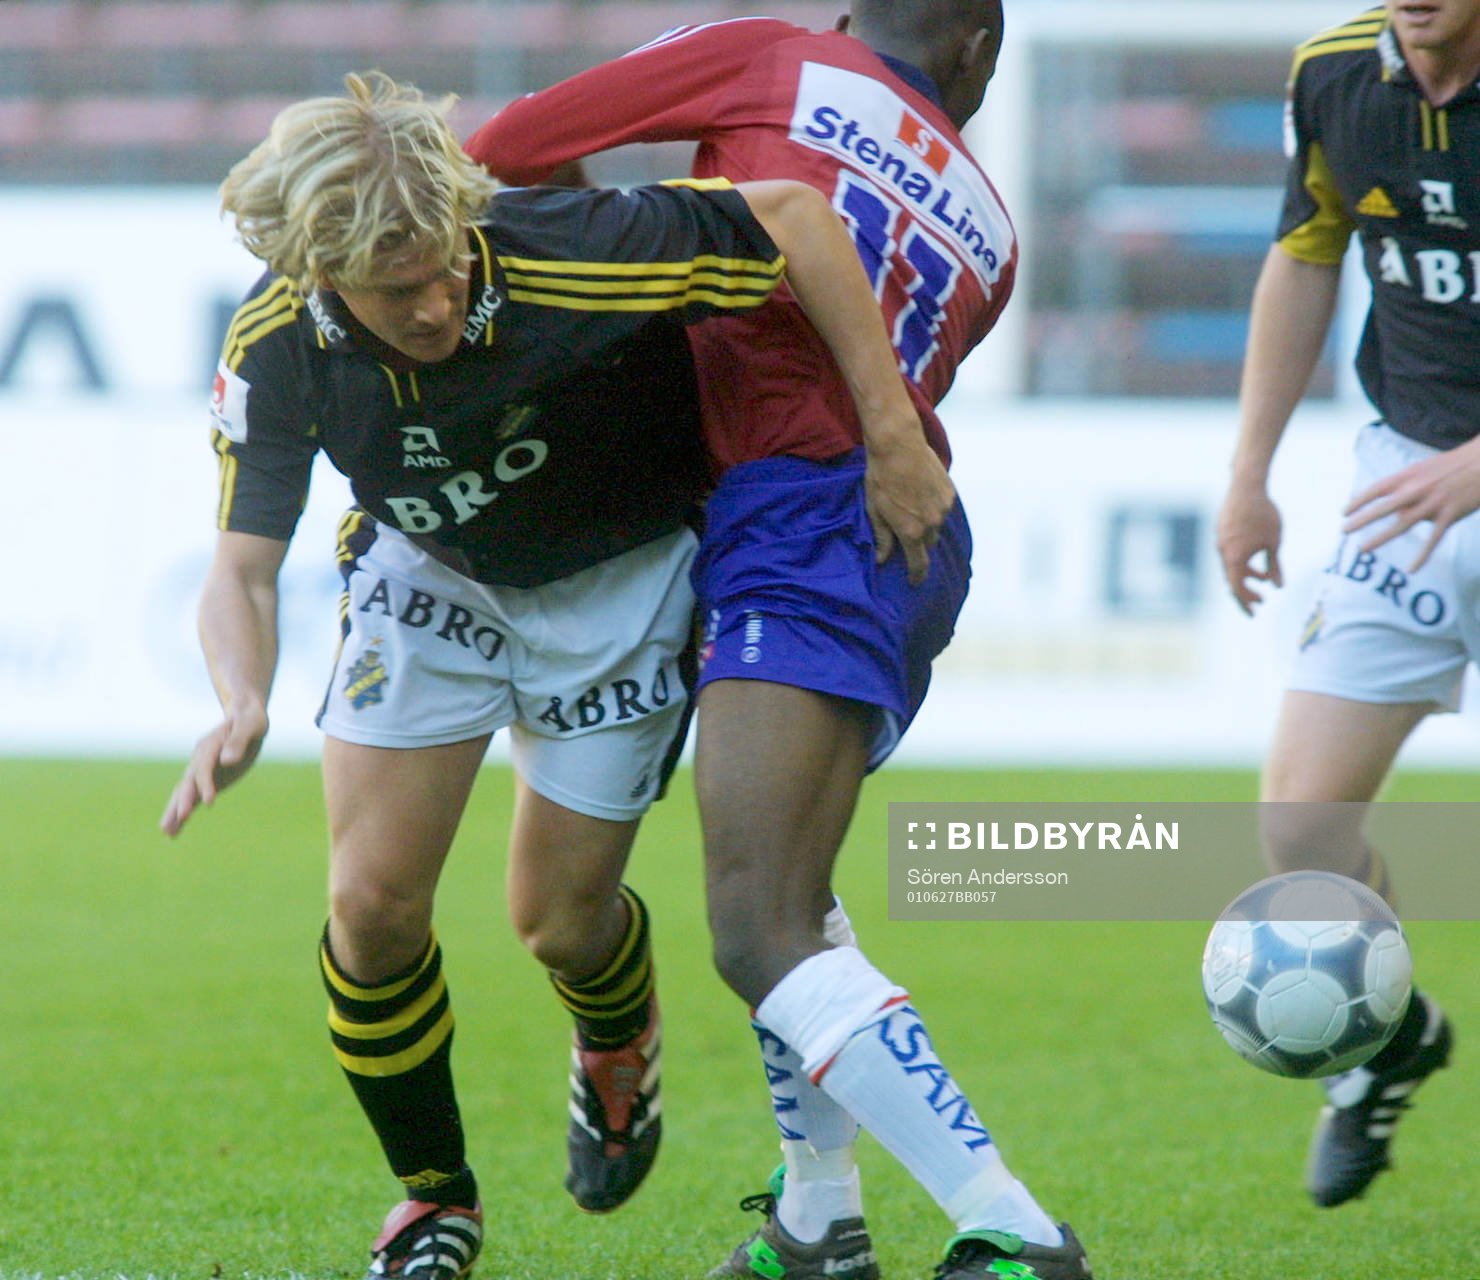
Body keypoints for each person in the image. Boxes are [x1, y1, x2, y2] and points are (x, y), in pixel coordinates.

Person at [159, 70, 958, 1280]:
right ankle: (436, 1202)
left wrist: (893, 435)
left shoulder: (567, 251)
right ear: (322, 277)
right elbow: (242, 569)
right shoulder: (276, 348)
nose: (434, 301)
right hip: (429, 580)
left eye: (445, 264)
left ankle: (614, 1034)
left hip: (621, 583)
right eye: (396, 288)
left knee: (559, 918)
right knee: (369, 909)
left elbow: (794, 217)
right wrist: (242, 697)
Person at [467, 5, 1096, 1278]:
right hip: (888, 527)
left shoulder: (774, 53)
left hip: (799, 512)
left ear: (854, 17)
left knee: (758, 923)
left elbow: (511, 146)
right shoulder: (990, 221)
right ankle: (818, 1220)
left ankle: (1015, 1226)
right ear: (976, 49)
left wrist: (620, 276)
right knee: (794, 897)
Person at [1216, 0, 1474, 1208]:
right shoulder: (1332, 72)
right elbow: (1306, 250)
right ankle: (1389, 1042)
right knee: (1300, 835)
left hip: (1459, 469)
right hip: (1399, 486)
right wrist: (1248, 477)